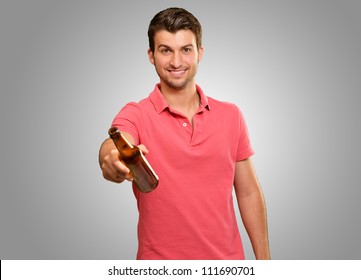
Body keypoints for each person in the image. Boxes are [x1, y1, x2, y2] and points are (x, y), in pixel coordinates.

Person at [99, 7, 270, 260]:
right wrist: (112, 160)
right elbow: (115, 143)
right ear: (151, 55)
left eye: (186, 50)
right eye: (166, 50)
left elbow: (248, 192)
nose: (176, 62)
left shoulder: (231, 116)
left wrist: (266, 264)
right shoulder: (137, 113)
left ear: (200, 53)